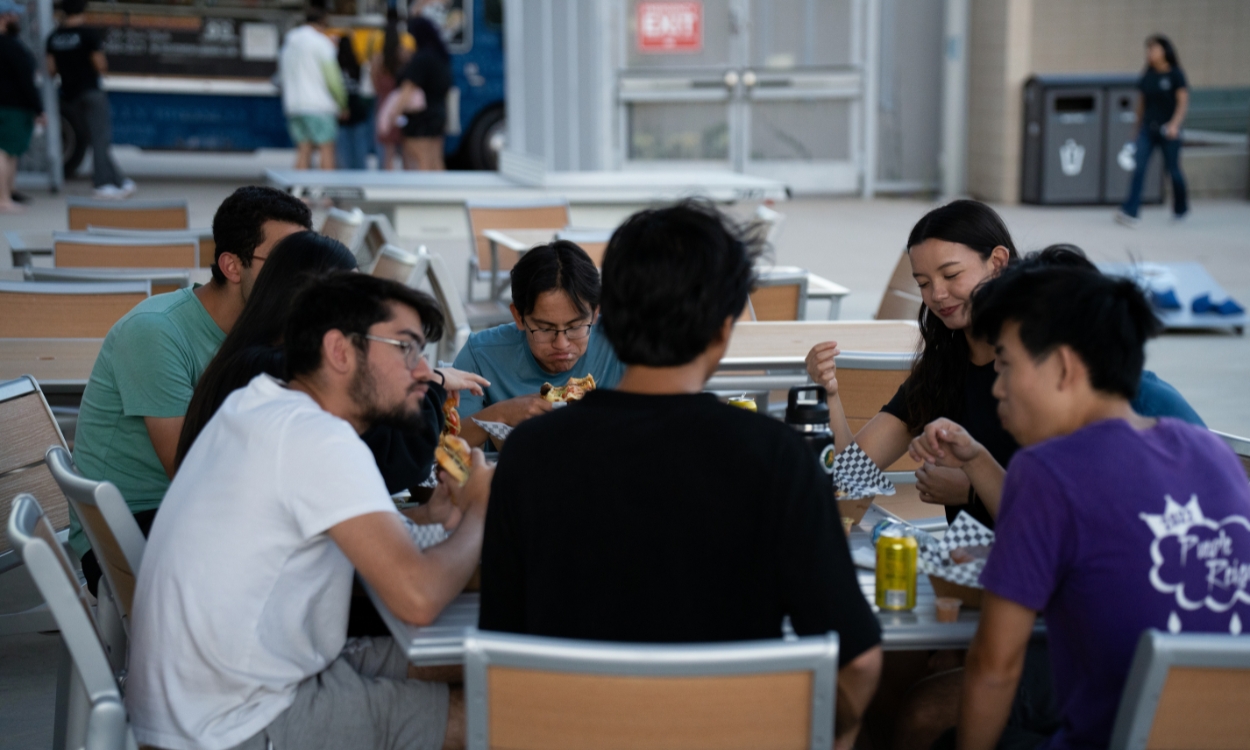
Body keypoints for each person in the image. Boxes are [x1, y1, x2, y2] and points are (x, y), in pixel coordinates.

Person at [479, 201, 883, 750]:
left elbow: (503, 650)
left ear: (607, 319)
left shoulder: (530, 454)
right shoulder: (777, 459)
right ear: (723, 330)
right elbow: (857, 662)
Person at [126, 273, 492, 750]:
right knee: (513, 712)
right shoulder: (318, 439)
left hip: (212, 693)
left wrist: (430, 518)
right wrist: (483, 508)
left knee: (496, 668)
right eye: (405, 348)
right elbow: (418, 599)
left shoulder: (259, 407)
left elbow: (325, 533)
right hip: (237, 722)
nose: (424, 371)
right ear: (340, 350)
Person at [915, 266, 1250, 750]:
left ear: (1065, 368)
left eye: (1006, 364)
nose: (997, 388)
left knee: (929, 721)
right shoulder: (1210, 452)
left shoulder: (1048, 471)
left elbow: (995, 665)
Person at [805, 202, 1206, 529]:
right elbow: (850, 476)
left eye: (951, 274)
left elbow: (1077, 522)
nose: (937, 295)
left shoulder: (1123, 401)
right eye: (924, 283)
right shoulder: (944, 370)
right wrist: (830, 395)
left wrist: (975, 486)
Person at [71, 186, 310, 595]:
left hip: (205, 514)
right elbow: (187, 470)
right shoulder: (156, 332)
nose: (301, 276)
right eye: (285, 262)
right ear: (232, 266)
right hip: (130, 533)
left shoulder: (274, 329)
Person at [451, 240, 625, 449]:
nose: (561, 344)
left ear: (596, 313)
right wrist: (501, 413)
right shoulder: (480, 356)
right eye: (544, 328)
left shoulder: (621, 347)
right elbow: (442, 446)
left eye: (575, 326)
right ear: (519, 317)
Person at [45, 0, 133, 198]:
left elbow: (51, 70)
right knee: (100, 140)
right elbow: (100, 64)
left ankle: (120, 181)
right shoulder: (89, 34)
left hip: (70, 96)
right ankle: (102, 183)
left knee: (93, 140)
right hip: (91, 92)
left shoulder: (53, 37)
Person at [1117, 34, 1189, 227]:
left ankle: (1181, 208)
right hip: (1148, 129)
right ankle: (1130, 211)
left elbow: (1182, 103)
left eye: (1154, 49)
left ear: (1165, 51)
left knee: (1173, 171)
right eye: (1148, 50)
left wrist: (1174, 124)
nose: (1150, 53)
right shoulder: (1147, 76)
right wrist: (1135, 131)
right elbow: (1141, 106)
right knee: (1138, 167)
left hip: (1169, 131)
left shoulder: (1176, 74)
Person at [279, 1, 347, 170]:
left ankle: (299, 195)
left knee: (303, 149)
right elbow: (333, 79)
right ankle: (327, 195)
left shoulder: (289, 42)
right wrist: (342, 103)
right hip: (319, 105)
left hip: (294, 104)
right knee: (326, 149)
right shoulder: (321, 43)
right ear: (323, 22)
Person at [0, 0, 42, 213]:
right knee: (6, 152)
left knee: (9, 151)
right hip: (12, 106)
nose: (17, 19)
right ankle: (3, 198)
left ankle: (9, 191)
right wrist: (38, 108)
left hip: (7, 105)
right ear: (5, 17)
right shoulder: (12, 46)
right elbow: (25, 80)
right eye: (13, 14)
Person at [397, 15, 451, 170]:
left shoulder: (422, 59)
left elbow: (408, 89)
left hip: (420, 118)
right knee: (436, 159)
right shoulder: (441, 56)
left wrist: (394, 114)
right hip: (438, 112)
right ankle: (443, 193)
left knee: (421, 160)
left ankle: (426, 194)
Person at [370, 7, 410, 170]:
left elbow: (374, 79)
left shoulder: (378, 53)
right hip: (401, 104)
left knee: (387, 151)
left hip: (384, 103)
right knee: (407, 149)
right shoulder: (405, 49)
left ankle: (387, 182)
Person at [335, 34, 372, 170]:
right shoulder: (358, 65)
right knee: (360, 144)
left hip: (341, 110)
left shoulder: (336, 65)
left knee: (343, 146)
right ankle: (360, 172)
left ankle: (345, 173)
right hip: (358, 109)